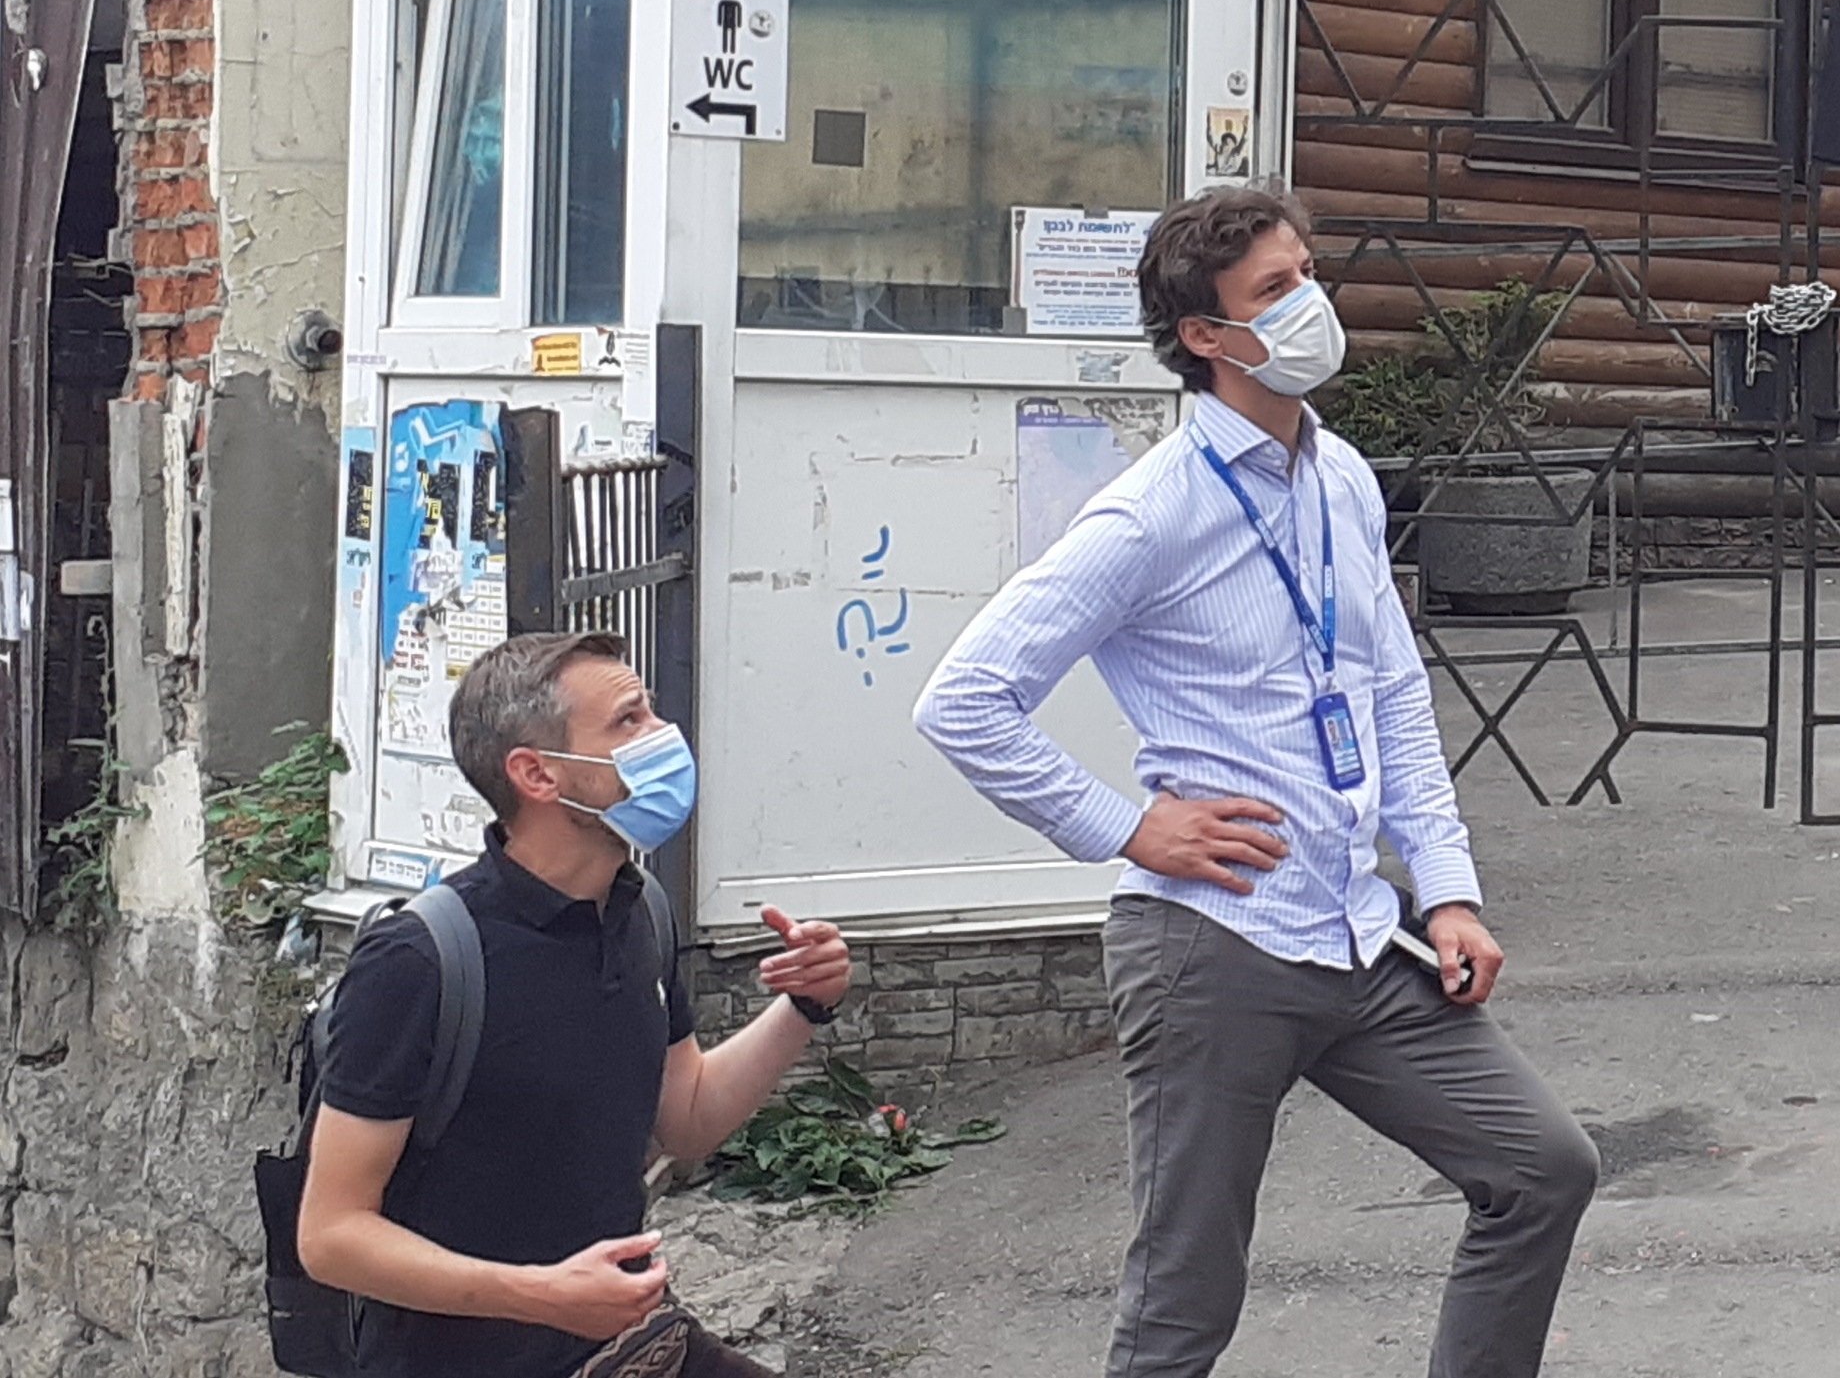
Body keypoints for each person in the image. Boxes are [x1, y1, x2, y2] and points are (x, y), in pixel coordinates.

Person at [914, 183, 1599, 1378]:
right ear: (1206, 335)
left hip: (1354, 930)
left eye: (1306, 274)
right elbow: (963, 701)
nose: (1308, 303)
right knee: (1184, 1302)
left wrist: (1446, 890)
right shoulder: (1147, 514)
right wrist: (1128, 827)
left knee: (1541, 1171)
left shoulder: (1341, 479)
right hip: (1214, 945)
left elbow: (1391, 694)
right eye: (1273, 290)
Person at [298, 629, 854, 1378]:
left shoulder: (639, 909)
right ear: (537, 773)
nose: (664, 735)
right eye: (629, 721)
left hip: (627, 1346)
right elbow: (331, 1235)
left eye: (650, 711)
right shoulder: (419, 960)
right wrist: (544, 1296)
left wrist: (804, 1007)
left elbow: (687, 1118)